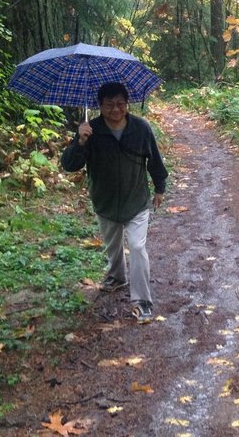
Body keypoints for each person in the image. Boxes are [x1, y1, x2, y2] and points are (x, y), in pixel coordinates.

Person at [60, 82, 168, 323]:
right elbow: (69, 165)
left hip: (136, 201)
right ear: (100, 106)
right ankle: (117, 276)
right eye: (109, 105)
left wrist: (160, 187)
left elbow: (155, 160)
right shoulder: (90, 130)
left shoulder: (141, 128)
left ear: (127, 104)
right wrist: (80, 142)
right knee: (113, 246)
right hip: (105, 201)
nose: (115, 109)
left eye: (120, 104)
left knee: (138, 248)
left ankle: (142, 302)